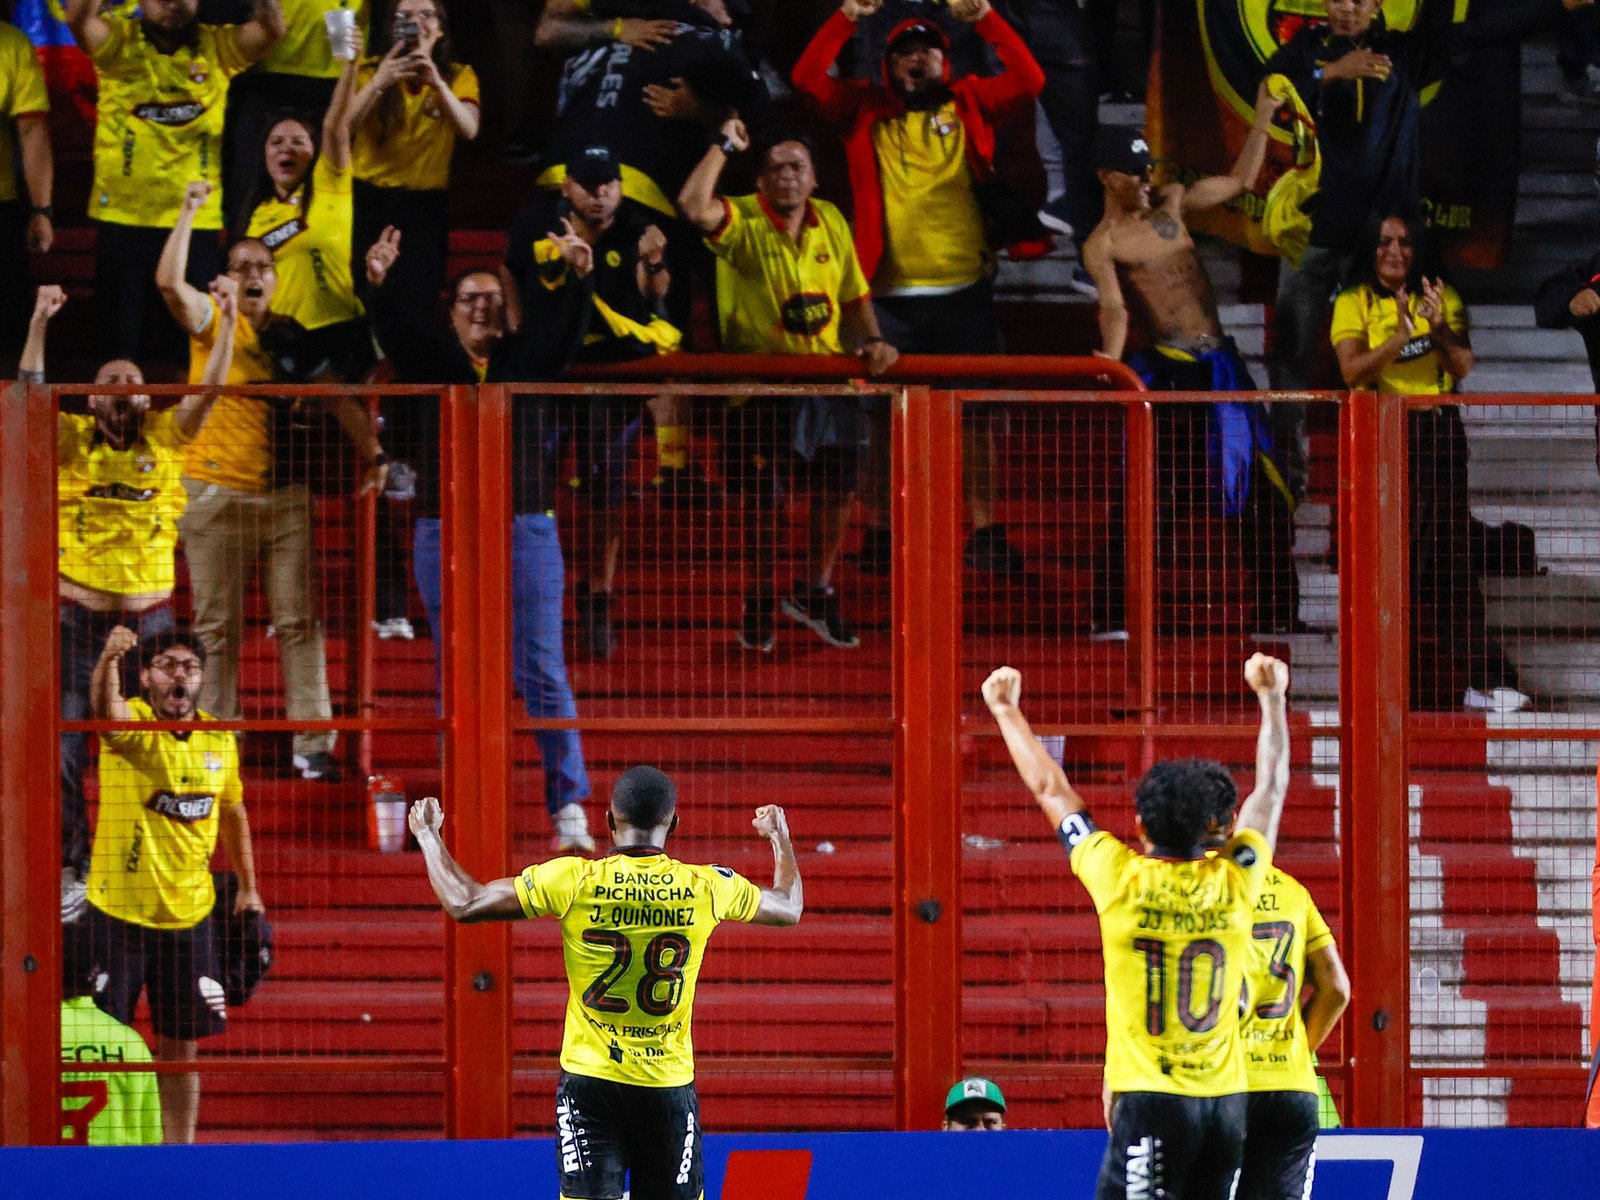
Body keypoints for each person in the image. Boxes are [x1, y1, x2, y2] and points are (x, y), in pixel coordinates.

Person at [408, 764, 802, 1200]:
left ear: (609, 821)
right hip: (666, 1087)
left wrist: (428, 834)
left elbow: (466, 902)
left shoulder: (573, 880)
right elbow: (788, 907)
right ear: (674, 823)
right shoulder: (706, 887)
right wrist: (779, 838)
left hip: (590, 1084)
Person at [981, 652, 1292, 1200]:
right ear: (1215, 826)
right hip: (1226, 1106)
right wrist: (1272, 699)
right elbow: (1269, 790)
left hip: (1153, 1100)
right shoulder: (1239, 877)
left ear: (1140, 824)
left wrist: (1006, 709)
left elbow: (1051, 790)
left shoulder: (1116, 874)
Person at [1260, 0, 1577, 492]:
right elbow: (1265, 92)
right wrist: (1329, 73)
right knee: (1289, 352)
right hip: (1320, 229)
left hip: (1388, 244)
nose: (1347, 8)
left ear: (1377, 6)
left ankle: (1402, 482)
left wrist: (1558, 6)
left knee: (1410, 353)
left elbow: (1486, 28)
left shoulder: (1406, 53)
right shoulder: (1304, 50)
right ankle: (1287, 481)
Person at [363, 224, 600, 851]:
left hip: (525, 527)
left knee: (542, 669)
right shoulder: (433, 360)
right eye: (470, 297)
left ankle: (569, 810)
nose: (482, 305)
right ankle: (465, 805)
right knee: (457, 676)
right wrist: (379, 285)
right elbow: (394, 334)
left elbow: (568, 334)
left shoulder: (528, 357)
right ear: (452, 311)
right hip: (444, 530)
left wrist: (581, 275)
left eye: (492, 297)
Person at [792, 0, 1042, 577]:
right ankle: (880, 530)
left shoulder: (972, 100)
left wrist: (985, 19)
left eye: (928, 48)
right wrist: (846, 16)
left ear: (945, 60)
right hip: (887, 292)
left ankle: (984, 529)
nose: (918, 58)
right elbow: (807, 79)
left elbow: (1031, 79)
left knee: (975, 418)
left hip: (964, 288)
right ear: (888, 65)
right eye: (905, 50)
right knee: (880, 418)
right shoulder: (862, 109)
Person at [159, 179, 384, 781]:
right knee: (216, 625)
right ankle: (216, 746)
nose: (254, 272)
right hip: (213, 495)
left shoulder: (288, 334)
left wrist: (374, 454)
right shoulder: (212, 322)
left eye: (264, 265)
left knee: (298, 620)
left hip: (283, 499)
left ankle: (312, 747)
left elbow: (339, 395)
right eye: (241, 265)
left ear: (276, 280)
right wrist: (186, 211)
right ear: (224, 278)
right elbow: (165, 285)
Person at [18, 282, 228, 923]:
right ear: (92, 396)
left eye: (134, 380)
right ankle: (70, 868)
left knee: (153, 746)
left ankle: (155, 864)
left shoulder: (164, 437)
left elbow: (212, 391)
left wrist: (220, 330)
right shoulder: (71, 440)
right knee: (65, 749)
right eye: (111, 380)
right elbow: (28, 390)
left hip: (152, 627)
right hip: (78, 620)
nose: (124, 388)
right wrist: (39, 320)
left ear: (144, 398)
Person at [678, 120, 899, 653]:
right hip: (761, 386)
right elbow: (691, 205)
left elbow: (854, 300)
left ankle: (814, 591)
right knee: (763, 501)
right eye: (775, 167)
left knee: (838, 488)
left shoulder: (833, 223)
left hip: (827, 380)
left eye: (797, 166)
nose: (787, 177)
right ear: (760, 181)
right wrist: (725, 144)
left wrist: (873, 343)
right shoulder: (743, 218)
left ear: (815, 179)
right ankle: (759, 597)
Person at [1081, 114, 1300, 640]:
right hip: (1171, 373)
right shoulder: (1103, 243)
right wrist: (1109, 361)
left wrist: (1264, 119)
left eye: (1147, 170)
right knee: (1157, 494)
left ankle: (1277, 611)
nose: (1145, 181)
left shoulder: (1174, 204)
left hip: (1223, 364)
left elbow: (1242, 182)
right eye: (1133, 173)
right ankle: (1114, 614)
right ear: (1105, 176)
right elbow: (1115, 310)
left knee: (1261, 485)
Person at [1331, 211, 1529, 713]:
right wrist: (1398, 335)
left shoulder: (1442, 296)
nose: (1394, 251)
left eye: (1404, 242)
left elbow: (1462, 365)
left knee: (1450, 560)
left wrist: (1436, 326)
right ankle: (1391, 681)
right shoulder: (1353, 300)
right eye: (1383, 242)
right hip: (1382, 435)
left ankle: (1481, 680)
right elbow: (1353, 372)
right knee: (1401, 564)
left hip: (1437, 434)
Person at [85, 623, 264, 1143]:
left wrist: (249, 886)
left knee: (181, 1049)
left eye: (189, 667)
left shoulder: (218, 737)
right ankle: (109, 1148)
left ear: (201, 679)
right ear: (146, 677)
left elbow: (232, 810)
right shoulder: (134, 723)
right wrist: (109, 660)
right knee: (107, 1042)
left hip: (190, 917)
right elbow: (105, 715)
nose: (179, 676)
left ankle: (178, 1154)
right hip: (118, 913)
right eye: (167, 666)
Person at [503, 145, 682, 662]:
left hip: (612, 374)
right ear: (567, 188)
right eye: (589, 184)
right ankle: (539, 595)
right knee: (537, 490)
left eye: (609, 184)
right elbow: (511, 266)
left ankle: (598, 597)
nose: (600, 194)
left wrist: (655, 258)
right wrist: (515, 323)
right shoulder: (537, 221)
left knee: (607, 491)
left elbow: (657, 295)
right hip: (554, 369)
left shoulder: (637, 225)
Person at [63, 0, 285, 367]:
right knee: (119, 356)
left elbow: (272, 28)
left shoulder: (218, 47)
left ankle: (184, 426)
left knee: (188, 355)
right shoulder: (117, 43)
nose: (172, 2)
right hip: (124, 219)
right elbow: (77, 17)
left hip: (195, 224)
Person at [236, 38, 371, 379]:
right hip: (283, 341)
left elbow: (335, 127)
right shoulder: (255, 215)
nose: (288, 149)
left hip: (343, 332)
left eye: (299, 141)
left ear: (314, 153)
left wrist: (351, 66)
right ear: (265, 155)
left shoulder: (330, 186)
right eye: (277, 142)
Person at [348, 0, 478, 318]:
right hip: (368, 200)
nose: (415, 23)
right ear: (391, 28)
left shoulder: (459, 75)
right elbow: (342, 127)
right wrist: (380, 81)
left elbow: (469, 128)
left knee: (417, 302)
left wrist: (436, 81)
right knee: (364, 298)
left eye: (425, 15)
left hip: (424, 206)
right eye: (404, 17)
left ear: (441, 27)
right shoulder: (369, 71)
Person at [222, 0, 370, 230]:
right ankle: (243, 256)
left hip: (334, 83)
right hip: (265, 78)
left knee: (328, 186)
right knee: (250, 184)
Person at [60, 919, 162, 1145]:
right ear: (96, 976)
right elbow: (151, 1137)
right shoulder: (130, 1042)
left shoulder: (30, 1039)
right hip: (118, 1174)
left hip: (41, 1171)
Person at [0, 17, 52, 360]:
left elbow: (32, 128)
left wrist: (41, 210)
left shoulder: (11, 44)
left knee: (5, 337)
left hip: (0, 207)